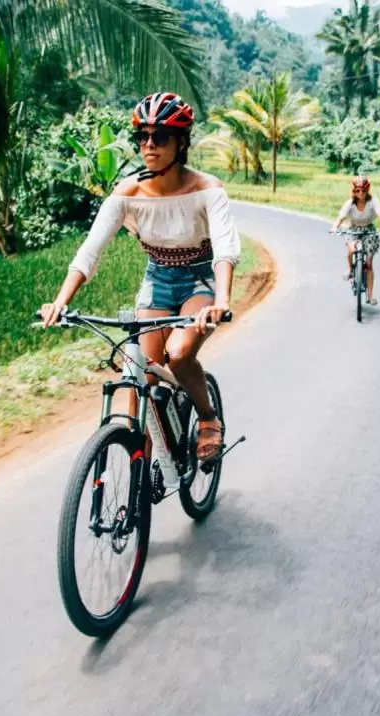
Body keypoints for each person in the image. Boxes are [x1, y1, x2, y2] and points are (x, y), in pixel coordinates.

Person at [39, 92, 240, 461]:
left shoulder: (207, 190)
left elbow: (225, 250)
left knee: (178, 354)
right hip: (157, 281)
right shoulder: (127, 192)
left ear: (181, 142)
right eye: (142, 136)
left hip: (200, 280)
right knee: (141, 377)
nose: (149, 144)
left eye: (160, 136)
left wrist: (222, 302)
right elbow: (89, 251)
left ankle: (209, 418)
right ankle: (140, 477)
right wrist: (61, 301)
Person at [329, 175, 380, 306]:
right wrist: (335, 227)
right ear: (354, 191)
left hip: (369, 230)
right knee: (351, 248)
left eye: (363, 190)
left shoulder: (373, 201)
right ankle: (350, 269)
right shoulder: (350, 203)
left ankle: (370, 295)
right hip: (354, 229)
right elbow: (341, 217)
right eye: (357, 190)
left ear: (367, 190)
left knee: (368, 263)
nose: (360, 193)